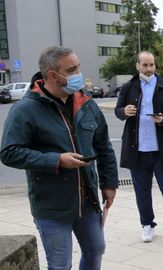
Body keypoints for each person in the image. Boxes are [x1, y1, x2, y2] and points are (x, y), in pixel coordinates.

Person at [0, 46, 118, 270]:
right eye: (71, 70)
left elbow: (103, 145)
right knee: (60, 264)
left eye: (78, 68)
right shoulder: (26, 109)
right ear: (52, 75)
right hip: (52, 206)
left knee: (96, 251)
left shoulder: (85, 102)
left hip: (87, 200)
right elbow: (9, 152)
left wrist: (110, 183)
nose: (78, 75)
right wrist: (56, 160)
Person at [115, 51, 163, 245]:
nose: (149, 68)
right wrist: (124, 111)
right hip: (137, 150)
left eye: (151, 64)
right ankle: (147, 224)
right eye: (145, 65)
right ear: (137, 66)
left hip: (161, 149)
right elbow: (119, 111)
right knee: (142, 191)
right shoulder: (129, 87)